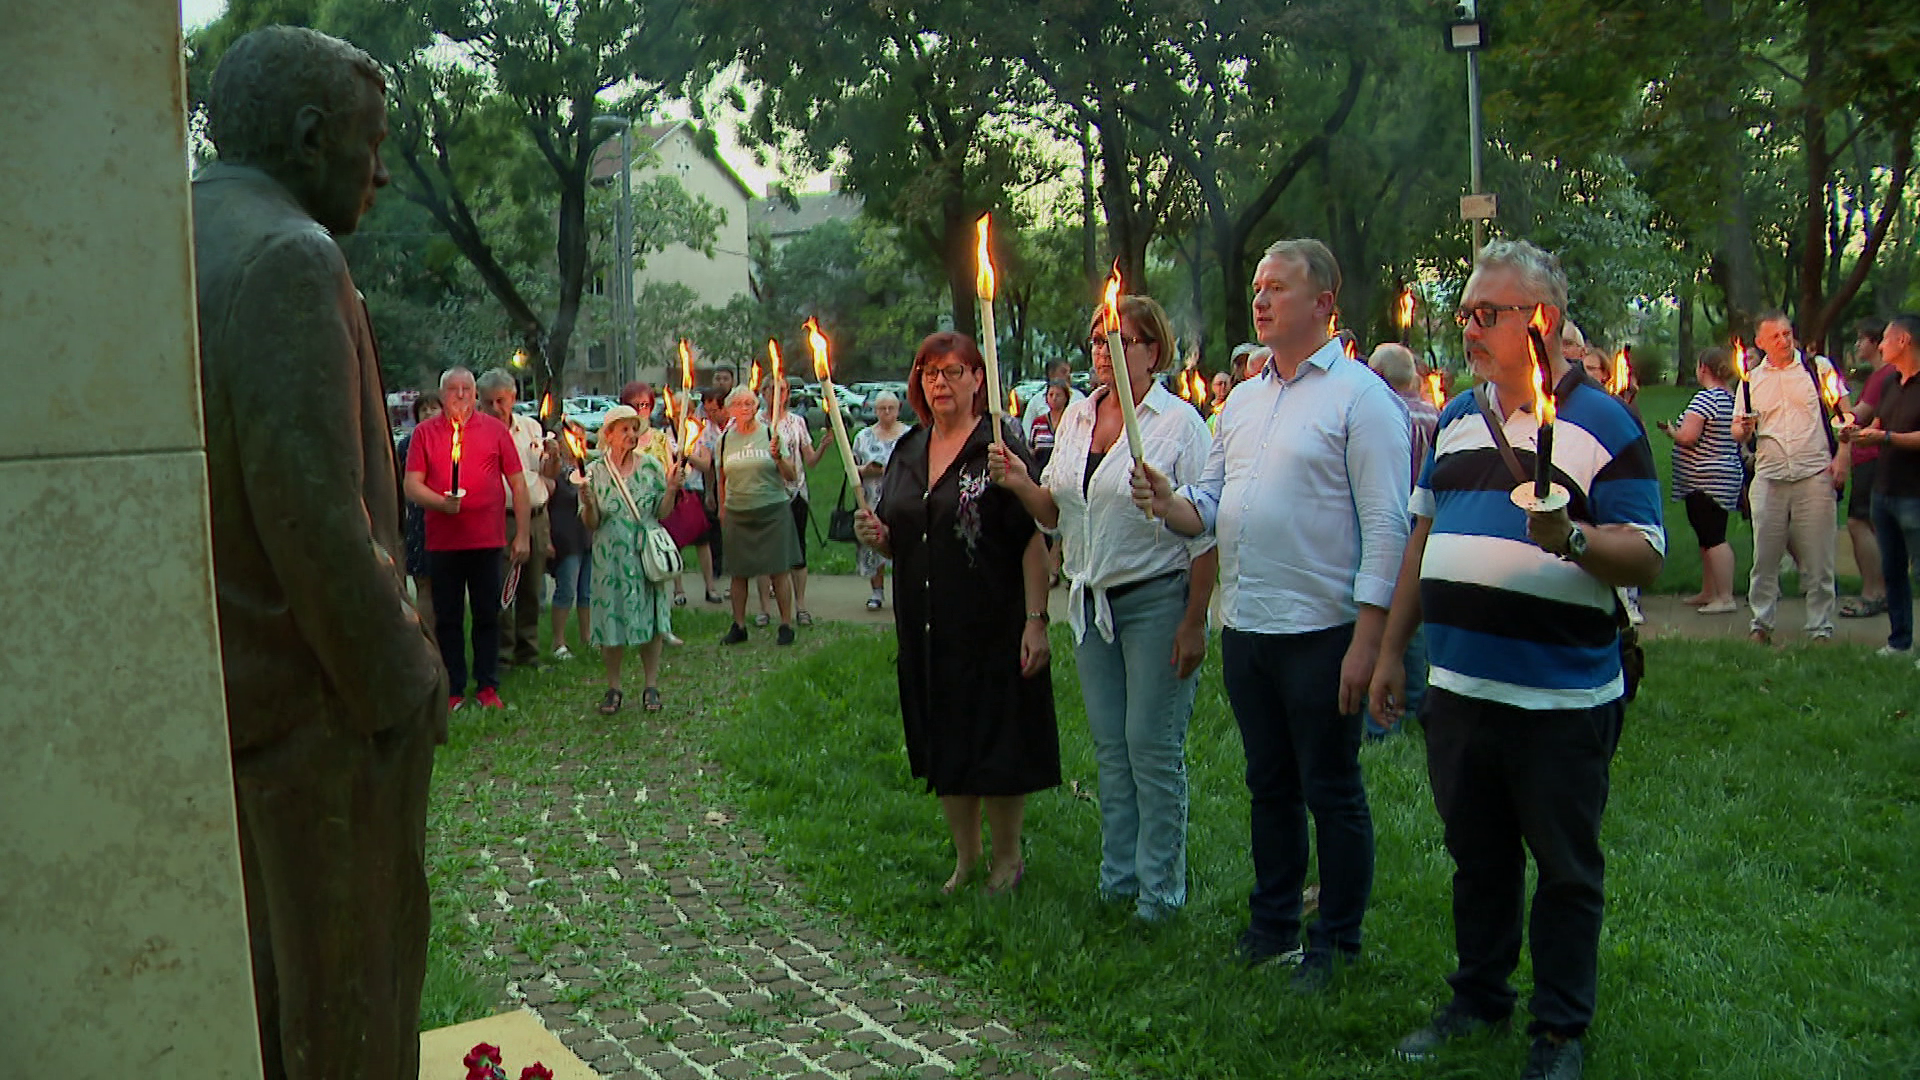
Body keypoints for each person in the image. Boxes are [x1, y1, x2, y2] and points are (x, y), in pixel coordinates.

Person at [194, 25, 446, 1077]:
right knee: (344, 1002)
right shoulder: (291, 255)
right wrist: (405, 680)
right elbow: (313, 516)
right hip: (315, 716)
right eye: (372, 141)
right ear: (309, 138)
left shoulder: (184, 233)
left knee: (260, 1001)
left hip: (225, 703)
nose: (381, 170)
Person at [1368, 240, 1664, 1080]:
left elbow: (1644, 554)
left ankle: (1560, 1030)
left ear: (1544, 321)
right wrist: (1394, 650)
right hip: (1461, 691)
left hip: (1561, 701)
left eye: (1486, 313)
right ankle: (1478, 997)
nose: (1468, 327)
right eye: (1464, 312)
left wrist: (1571, 537)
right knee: (1479, 859)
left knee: (1566, 870)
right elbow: (1424, 532)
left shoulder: (1604, 423)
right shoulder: (1459, 416)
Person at [1133, 239, 1411, 990]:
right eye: (1257, 287)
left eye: (1278, 288)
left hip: (1322, 628)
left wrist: (1369, 639)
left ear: (1325, 302)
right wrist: (1173, 504)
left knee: (1331, 787)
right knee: (1269, 784)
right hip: (1250, 625)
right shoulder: (1245, 399)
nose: (1260, 300)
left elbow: (1386, 525)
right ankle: (1273, 922)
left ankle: (1336, 943)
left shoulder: (1361, 400)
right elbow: (1215, 503)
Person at [993, 295, 1215, 924]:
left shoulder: (1178, 426)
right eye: (1097, 339)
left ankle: (1159, 891)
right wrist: (1018, 480)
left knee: (1151, 745)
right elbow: (1056, 515)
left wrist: (1193, 619)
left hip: (1155, 599)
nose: (1104, 350)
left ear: (1152, 352)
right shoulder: (1077, 419)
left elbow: (1204, 532)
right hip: (1091, 604)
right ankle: (1117, 878)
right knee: (1111, 749)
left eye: (1121, 340)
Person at [854, 332, 1058, 895]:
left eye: (953, 371)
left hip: (990, 619)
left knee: (994, 737)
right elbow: (905, 536)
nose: (940, 382)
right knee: (944, 738)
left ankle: (1007, 858)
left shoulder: (996, 446)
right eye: (929, 373)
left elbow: (1031, 537)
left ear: (977, 378)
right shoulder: (909, 449)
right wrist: (880, 536)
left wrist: (1035, 619)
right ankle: (966, 859)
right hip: (926, 624)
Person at [405, 367, 532, 708]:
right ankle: (454, 688)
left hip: (486, 540)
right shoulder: (425, 434)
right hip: (443, 542)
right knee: (448, 618)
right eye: (452, 389)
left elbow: (518, 483)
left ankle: (487, 685)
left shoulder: (494, 431)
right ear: (442, 394)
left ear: (475, 395)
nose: (460, 395)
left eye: (466, 389)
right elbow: (412, 484)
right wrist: (441, 504)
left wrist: (522, 534)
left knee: (487, 614)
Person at [1730, 310, 1845, 645]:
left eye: (1786, 333)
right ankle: (1761, 624)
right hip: (1769, 475)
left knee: (1819, 557)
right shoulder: (1752, 380)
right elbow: (1737, 427)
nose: (1783, 341)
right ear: (1760, 342)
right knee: (1765, 557)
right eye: (1775, 336)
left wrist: (1843, 457)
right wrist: (1743, 429)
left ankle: (1820, 626)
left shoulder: (1817, 369)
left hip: (1813, 474)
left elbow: (1843, 416)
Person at [578, 405, 682, 713]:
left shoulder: (650, 466)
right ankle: (614, 687)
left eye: (634, 429)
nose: (631, 435)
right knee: (612, 620)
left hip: (644, 554)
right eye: (624, 429)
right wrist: (588, 504)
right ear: (608, 435)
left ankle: (651, 685)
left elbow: (662, 513)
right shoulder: (594, 471)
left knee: (649, 619)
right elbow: (592, 523)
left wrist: (672, 490)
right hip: (609, 558)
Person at [1363, 343, 1439, 741]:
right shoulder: (1435, 414)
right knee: (1416, 617)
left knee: (1388, 615)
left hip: (1394, 521)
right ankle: (1416, 703)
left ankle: (1383, 718)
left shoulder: (1386, 415)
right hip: (1427, 525)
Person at [1843, 313, 1920, 660]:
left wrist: (1885, 437)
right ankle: (1899, 641)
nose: (1882, 344)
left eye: (1887, 339)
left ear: (1904, 341)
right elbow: (1877, 423)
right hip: (1884, 490)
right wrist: (1856, 435)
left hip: (1915, 494)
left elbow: (1891, 433)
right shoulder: (1889, 382)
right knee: (1893, 570)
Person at [698, 387, 801, 645]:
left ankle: (786, 624)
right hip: (737, 512)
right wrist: (722, 507)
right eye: (739, 404)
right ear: (730, 409)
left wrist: (779, 458)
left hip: (772, 509)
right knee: (739, 572)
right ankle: (739, 626)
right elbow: (722, 478)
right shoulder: (724, 440)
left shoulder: (770, 434)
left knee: (778, 570)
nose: (745, 408)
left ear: (756, 407)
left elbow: (791, 476)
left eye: (749, 403)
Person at [1657, 347, 1745, 614]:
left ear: (1702, 368)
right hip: (1724, 476)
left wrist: (1672, 431)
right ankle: (1709, 591)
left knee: (1714, 537)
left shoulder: (1705, 399)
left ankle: (1725, 597)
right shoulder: (1731, 398)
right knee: (1706, 536)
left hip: (1705, 480)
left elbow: (1688, 437)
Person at [479, 368, 552, 667]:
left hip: (537, 515)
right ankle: (503, 653)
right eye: (488, 402)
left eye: (501, 401)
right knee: (502, 588)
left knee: (532, 588)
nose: (496, 409)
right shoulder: (480, 432)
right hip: (501, 517)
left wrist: (555, 456)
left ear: (513, 398)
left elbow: (546, 473)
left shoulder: (531, 428)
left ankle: (529, 650)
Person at [1838, 320, 1891, 618]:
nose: (1858, 346)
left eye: (1861, 340)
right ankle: (1883, 590)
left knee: (1859, 523)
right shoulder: (1884, 376)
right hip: (1874, 457)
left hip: (1872, 457)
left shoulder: (1881, 376)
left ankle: (1874, 592)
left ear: (1875, 342)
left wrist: (1837, 410)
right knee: (1872, 525)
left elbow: (1859, 416)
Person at [766, 377, 826, 625]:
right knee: (771, 551)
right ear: (765, 393)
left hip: (796, 492)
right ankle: (771, 606)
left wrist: (822, 447)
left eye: (783, 391)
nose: (779, 395)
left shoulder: (796, 422)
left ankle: (800, 605)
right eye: (773, 390)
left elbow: (809, 460)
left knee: (798, 550)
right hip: (768, 493)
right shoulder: (756, 422)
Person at [853, 390, 910, 610]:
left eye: (891, 408)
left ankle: (903, 591)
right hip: (872, 499)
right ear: (875, 410)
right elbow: (851, 468)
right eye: (882, 409)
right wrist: (865, 469)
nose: (886, 413)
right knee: (874, 544)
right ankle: (876, 591)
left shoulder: (909, 435)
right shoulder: (863, 436)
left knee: (902, 543)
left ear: (898, 409)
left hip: (902, 499)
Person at [396, 391, 442, 619]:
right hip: (419, 522)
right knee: (424, 583)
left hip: (448, 518)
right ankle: (428, 639)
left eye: (434, 407)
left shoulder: (453, 442)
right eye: (424, 409)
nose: (429, 413)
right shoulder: (406, 446)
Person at [547, 431, 592, 659]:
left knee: (587, 591)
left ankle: (587, 637)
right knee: (566, 589)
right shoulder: (557, 472)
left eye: (581, 438)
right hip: (566, 537)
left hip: (587, 536)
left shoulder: (588, 469)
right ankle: (559, 642)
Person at [1021, 356, 1086, 431]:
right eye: (1064, 372)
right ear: (1051, 374)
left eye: (1069, 372)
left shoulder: (1079, 398)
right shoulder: (1036, 402)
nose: (1068, 375)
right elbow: (1026, 431)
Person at [1027, 381, 1070, 469]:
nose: (1054, 398)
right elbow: (1031, 448)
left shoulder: (1072, 421)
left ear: (1066, 398)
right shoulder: (1038, 422)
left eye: (1058, 395)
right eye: (1051, 395)